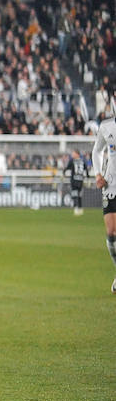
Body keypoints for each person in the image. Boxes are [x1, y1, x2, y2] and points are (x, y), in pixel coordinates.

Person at [93, 115, 116, 293]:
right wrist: (98, 174)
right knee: (111, 232)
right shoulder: (106, 126)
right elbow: (97, 151)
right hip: (110, 184)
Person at [63, 150, 89, 217]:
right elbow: (86, 169)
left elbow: (67, 168)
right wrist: (88, 177)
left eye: (73, 153)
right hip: (80, 180)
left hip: (74, 180)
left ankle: (76, 208)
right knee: (79, 195)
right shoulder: (82, 161)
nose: (72, 155)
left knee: (75, 194)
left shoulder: (72, 161)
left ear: (77, 154)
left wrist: (64, 173)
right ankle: (80, 209)